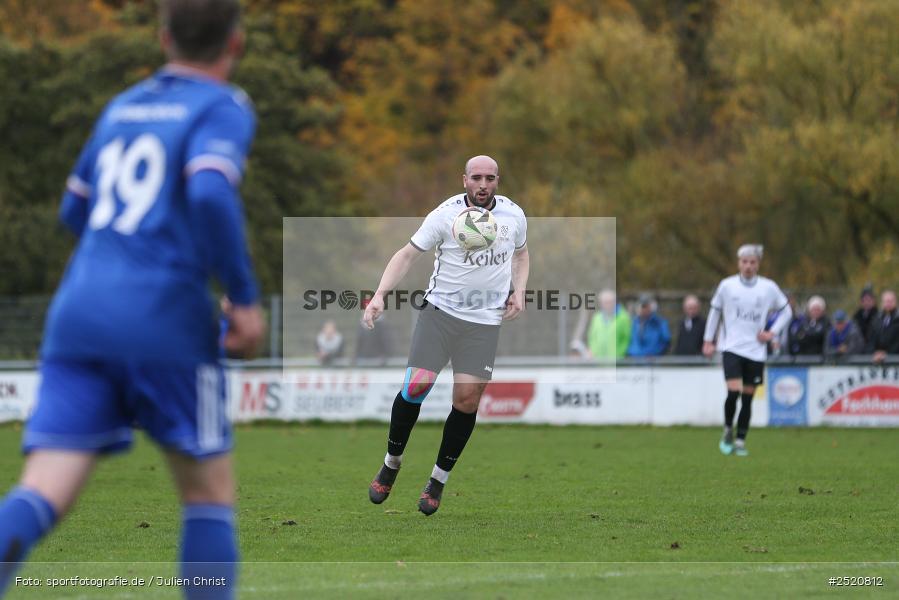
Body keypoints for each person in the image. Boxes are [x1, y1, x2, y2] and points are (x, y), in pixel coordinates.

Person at [0, 2, 265, 598]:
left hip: (79, 315)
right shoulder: (223, 105)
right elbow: (210, 190)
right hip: (166, 320)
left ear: (163, 37)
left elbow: (74, 209)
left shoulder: (121, 107)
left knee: (42, 488)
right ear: (236, 42)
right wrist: (243, 298)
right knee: (207, 493)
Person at [362, 155, 528, 516]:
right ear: (464, 180)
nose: (483, 184)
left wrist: (520, 290)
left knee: (467, 401)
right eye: (476, 177)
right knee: (416, 386)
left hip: (484, 322)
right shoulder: (444, 215)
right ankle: (391, 463)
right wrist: (379, 295)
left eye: (490, 178)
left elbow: (521, 254)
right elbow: (407, 255)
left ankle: (437, 479)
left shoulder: (514, 215)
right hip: (440, 313)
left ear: (497, 180)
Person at [703, 245, 791, 457]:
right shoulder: (727, 286)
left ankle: (740, 441)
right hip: (731, 347)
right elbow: (715, 313)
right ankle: (727, 429)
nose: (748, 266)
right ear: (739, 263)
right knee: (733, 392)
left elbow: (787, 311)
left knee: (748, 398)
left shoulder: (768, 287)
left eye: (752, 262)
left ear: (758, 264)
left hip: (756, 351)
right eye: (744, 262)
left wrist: (772, 333)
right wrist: (708, 340)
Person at [586, 289, 631, 360]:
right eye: (604, 302)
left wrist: (619, 354)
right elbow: (592, 337)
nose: (607, 305)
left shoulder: (623, 318)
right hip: (599, 360)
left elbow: (627, 339)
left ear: (614, 302)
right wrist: (592, 351)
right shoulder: (597, 317)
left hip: (617, 360)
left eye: (609, 302)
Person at [353, 298, 394, 366]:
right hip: (363, 360)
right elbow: (359, 343)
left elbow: (386, 343)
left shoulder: (382, 325)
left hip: (378, 361)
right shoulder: (361, 325)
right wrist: (356, 357)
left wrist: (385, 356)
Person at [869, 290, 899, 363]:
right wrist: (874, 352)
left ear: (895, 302)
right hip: (877, 359)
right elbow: (871, 339)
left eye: (890, 301)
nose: (888, 304)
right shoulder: (877, 319)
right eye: (886, 301)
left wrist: (887, 354)